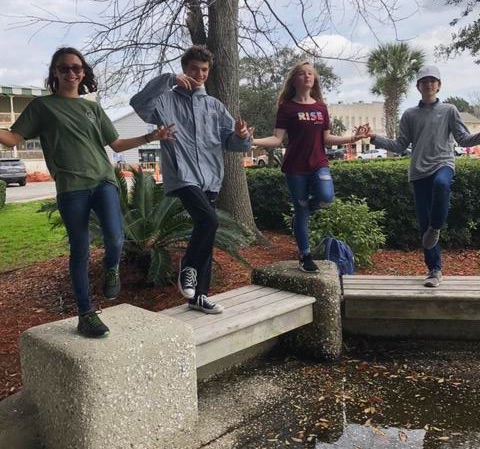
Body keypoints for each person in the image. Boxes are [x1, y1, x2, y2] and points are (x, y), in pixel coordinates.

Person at [0, 47, 175, 337]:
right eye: (64, 68)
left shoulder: (92, 108)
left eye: (76, 68)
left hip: (103, 181)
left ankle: (111, 268)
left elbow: (116, 144)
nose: (71, 72)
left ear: (83, 73)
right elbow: (11, 139)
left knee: (115, 237)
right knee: (79, 250)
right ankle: (86, 314)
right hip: (71, 188)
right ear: (55, 72)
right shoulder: (42, 107)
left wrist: (150, 136)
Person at [130, 45, 252, 314]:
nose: (199, 74)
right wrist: (168, 79)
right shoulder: (165, 100)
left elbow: (232, 143)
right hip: (182, 174)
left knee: (205, 232)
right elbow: (139, 103)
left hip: (211, 177)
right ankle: (188, 268)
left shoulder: (214, 106)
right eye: (194, 69)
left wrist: (241, 135)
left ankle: (199, 297)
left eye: (204, 70)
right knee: (209, 221)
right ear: (184, 69)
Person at [367, 65, 480, 287]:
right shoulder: (410, 114)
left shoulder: (449, 110)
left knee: (442, 185)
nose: (428, 84)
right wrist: (373, 138)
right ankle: (434, 270)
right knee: (424, 223)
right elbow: (400, 145)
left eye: (432, 81)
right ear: (418, 86)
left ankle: (436, 228)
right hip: (418, 171)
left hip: (443, 164)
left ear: (439, 86)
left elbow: (464, 139)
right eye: (424, 81)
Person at [252, 61, 369, 273]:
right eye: (302, 73)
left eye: (310, 73)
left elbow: (327, 138)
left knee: (326, 196)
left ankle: (303, 211)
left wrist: (353, 138)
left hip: (318, 163)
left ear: (314, 80)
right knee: (301, 212)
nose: (307, 76)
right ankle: (305, 256)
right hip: (295, 167)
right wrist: (254, 141)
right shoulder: (287, 107)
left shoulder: (321, 108)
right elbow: (277, 139)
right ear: (294, 81)